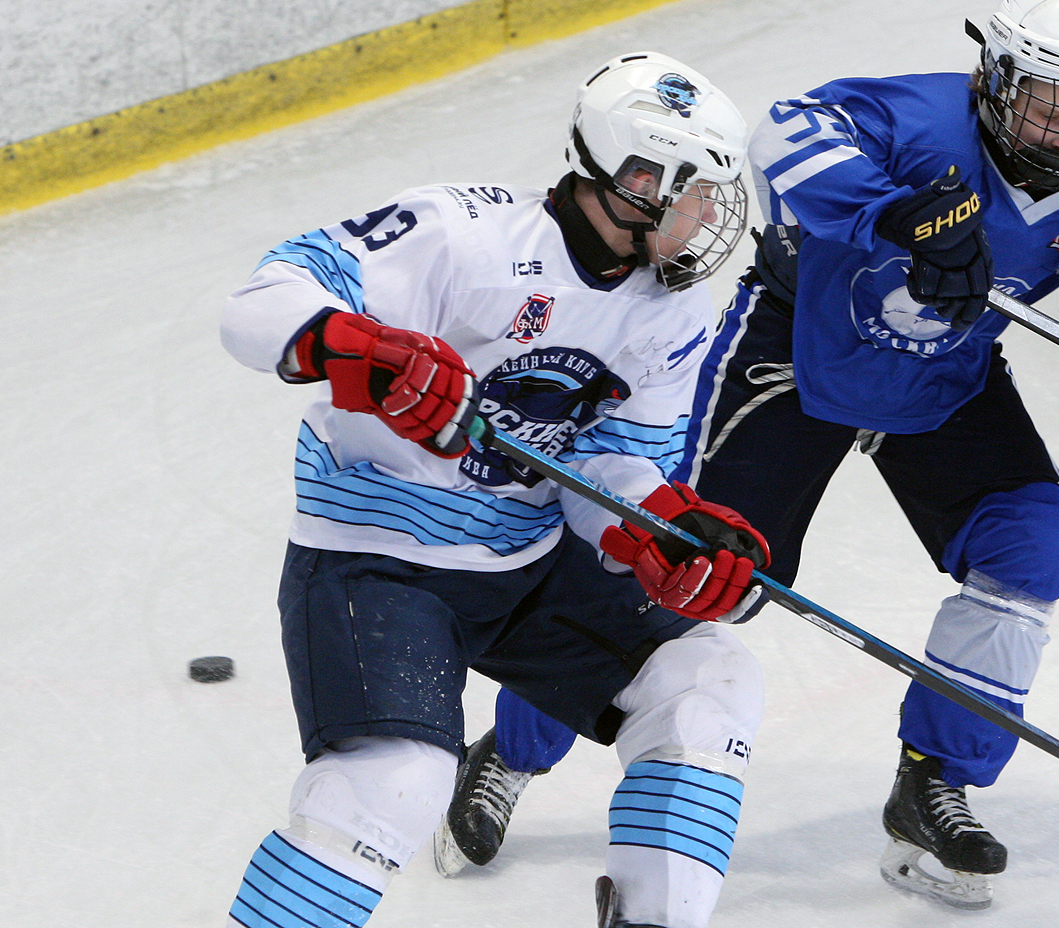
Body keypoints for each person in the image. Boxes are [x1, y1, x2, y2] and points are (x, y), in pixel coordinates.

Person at [451, 0, 1059, 912]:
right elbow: (780, 131)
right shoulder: (919, 119)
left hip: (947, 380)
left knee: (1029, 548)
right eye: (1045, 106)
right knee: (694, 570)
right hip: (798, 353)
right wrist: (894, 211)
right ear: (993, 77)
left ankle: (931, 785)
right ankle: (516, 746)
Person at [218, 51, 771, 928]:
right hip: (377, 563)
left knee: (707, 684)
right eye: (700, 192)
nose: (712, 215)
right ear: (638, 181)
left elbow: (610, 467)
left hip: (527, 561)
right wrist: (360, 347)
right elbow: (259, 302)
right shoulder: (462, 235)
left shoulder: (670, 312)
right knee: (394, 783)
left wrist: (657, 525)